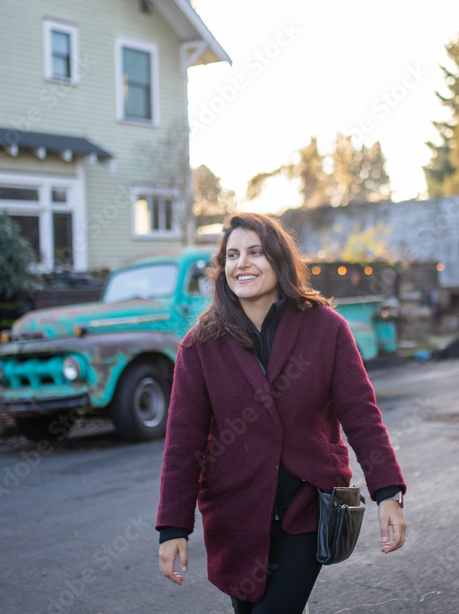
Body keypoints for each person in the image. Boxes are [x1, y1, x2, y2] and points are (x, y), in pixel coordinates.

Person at [157, 213, 407, 613]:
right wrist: (173, 527)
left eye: (255, 252)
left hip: (307, 512)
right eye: (233, 255)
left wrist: (388, 493)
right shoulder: (200, 345)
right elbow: (183, 442)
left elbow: (362, 416)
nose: (243, 263)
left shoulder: (327, 329)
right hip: (234, 518)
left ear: (278, 259)